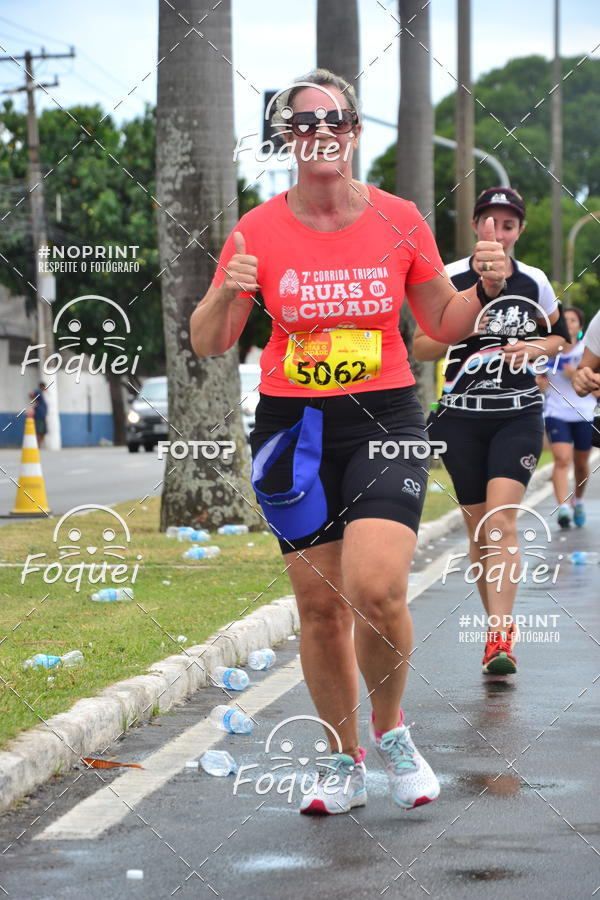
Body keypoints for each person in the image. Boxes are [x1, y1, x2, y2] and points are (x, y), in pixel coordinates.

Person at [190, 70, 507, 816]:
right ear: (287, 138)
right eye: (303, 122)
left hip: (385, 419)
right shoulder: (257, 229)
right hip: (291, 430)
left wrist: (484, 293)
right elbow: (210, 341)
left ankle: (392, 730)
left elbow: (439, 324)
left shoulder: (398, 218)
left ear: (355, 131)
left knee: (376, 587)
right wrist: (228, 289)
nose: (320, 132)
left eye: (334, 119)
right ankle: (341, 758)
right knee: (321, 607)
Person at [414, 187, 569, 676]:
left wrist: (534, 350)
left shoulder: (535, 280)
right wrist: (469, 311)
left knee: (502, 521)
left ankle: (500, 635)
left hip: (517, 414)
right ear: (476, 226)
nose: (498, 233)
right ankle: (493, 628)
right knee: (479, 528)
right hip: (460, 416)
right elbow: (420, 345)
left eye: (508, 225)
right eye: (489, 223)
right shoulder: (449, 276)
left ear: (519, 231)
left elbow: (560, 335)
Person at [536, 307, 597, 527]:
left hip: (584, 413)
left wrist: (578, 375)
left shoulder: (587, 353)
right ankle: (562, 507)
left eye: (573, 320)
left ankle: (578, 501)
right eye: (565, 320)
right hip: (555, 413)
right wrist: (539, 385)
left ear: (580, 327)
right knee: (561, 460)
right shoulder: (549, 353)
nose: (568, 323)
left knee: (581, 464)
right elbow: (538, 380)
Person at [32, 382, 47, 448]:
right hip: (39, 415)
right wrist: (35, 401)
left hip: (42, 415)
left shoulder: (42, 393)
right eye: (44, 387)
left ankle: (39, 444)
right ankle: (37, 445)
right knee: (39, 430)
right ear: (42, 387)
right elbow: (31, 394)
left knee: (43, 431)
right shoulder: (38, 391)